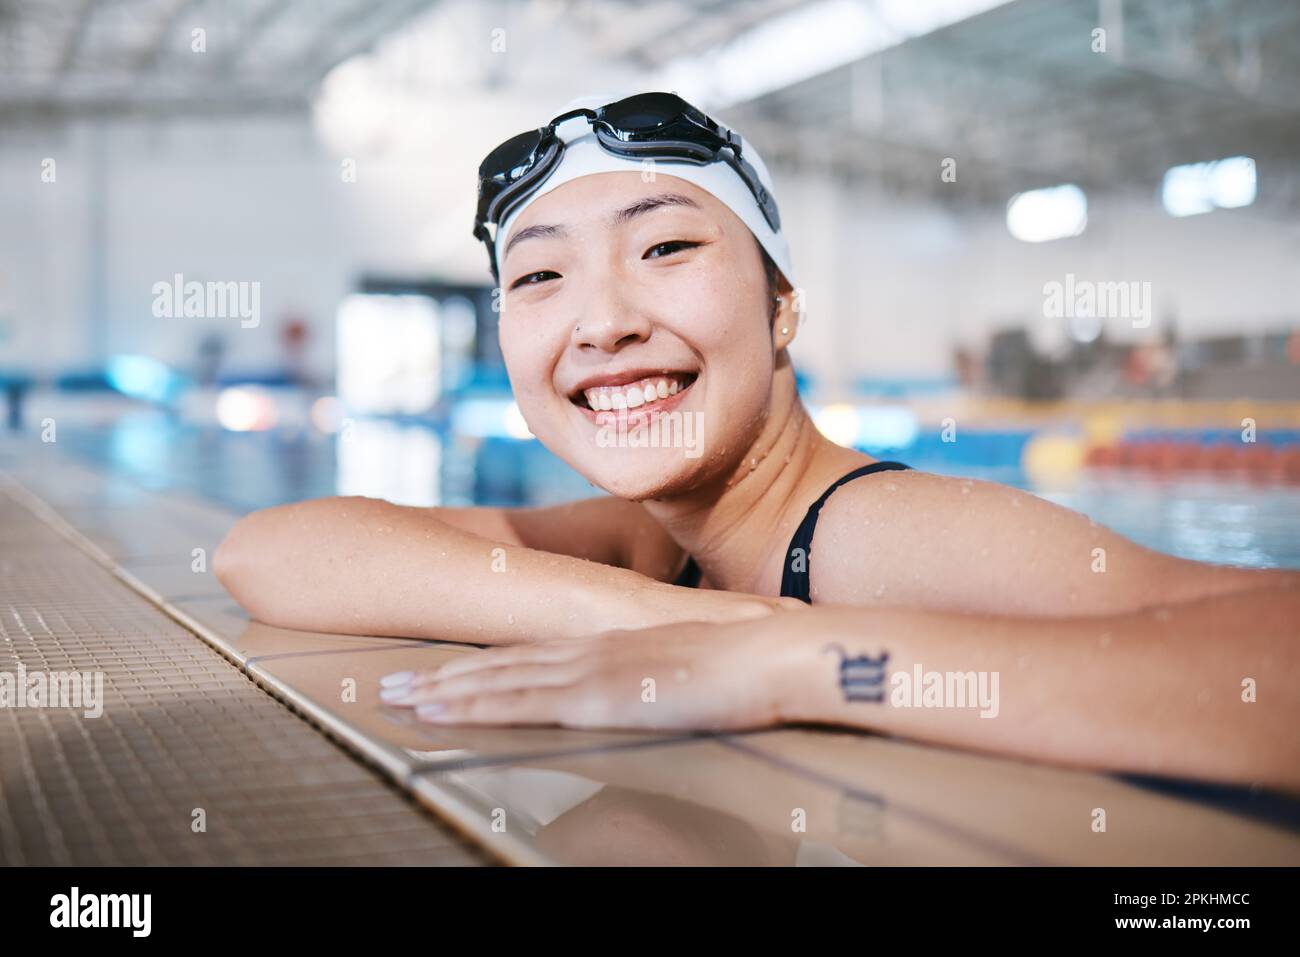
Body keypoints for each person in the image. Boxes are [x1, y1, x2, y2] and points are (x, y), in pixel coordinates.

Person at [214, 93, 1299, 792]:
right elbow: (266, 551)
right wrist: (648, 613)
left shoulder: (873, 535)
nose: (601, 322)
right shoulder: (648, 545)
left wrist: (787, 658)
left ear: (783, 307)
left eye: (667, 247)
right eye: (539, 274)